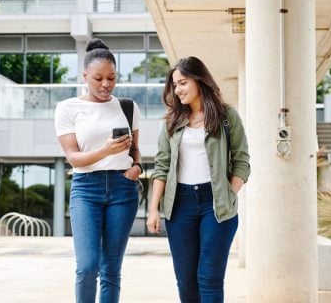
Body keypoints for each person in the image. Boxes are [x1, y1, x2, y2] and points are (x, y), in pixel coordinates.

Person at [146, 56, 250, 303]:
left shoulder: (226, 116)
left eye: (182, 82)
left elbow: (242, 160)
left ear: (199, 80)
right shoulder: (172, 120)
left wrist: (229, 191)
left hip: (216, 205)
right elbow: (161, 166)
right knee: (186, 281)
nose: (178, 89)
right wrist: (153, 209)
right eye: (174, 85)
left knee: (210, 278)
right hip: (180, 204)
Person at [54, 38, 142, 303]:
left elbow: (135, 148)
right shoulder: (68, 108)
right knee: (87, 266)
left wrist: (136, 166)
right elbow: (73, 158)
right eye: (98, 78)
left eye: (112, 78)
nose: (106, 84)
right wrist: (105, 150)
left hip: (123, 189)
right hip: (86, 189)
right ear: (84, 76)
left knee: (111, 269)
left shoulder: (128, 107)